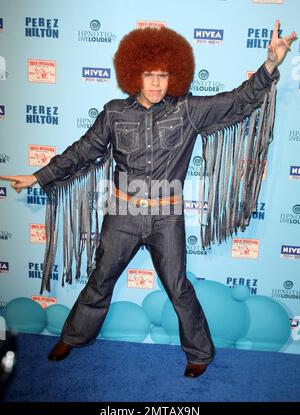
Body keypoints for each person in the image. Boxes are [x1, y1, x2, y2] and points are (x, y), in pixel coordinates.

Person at [1, 21, 296, 378]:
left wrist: (269, 65)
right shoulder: (113, 112)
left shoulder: (188, 110)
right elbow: (81, 152)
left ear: (174, 75)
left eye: (163, 75)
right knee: (100, 279)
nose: (156, 83)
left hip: (166, 215)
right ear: (133, 75)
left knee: (178, 287)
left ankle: (200, 352)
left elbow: (237, 101)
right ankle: (73, 336)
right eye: (148, 75)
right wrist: (37, 176)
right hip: (122, 211)